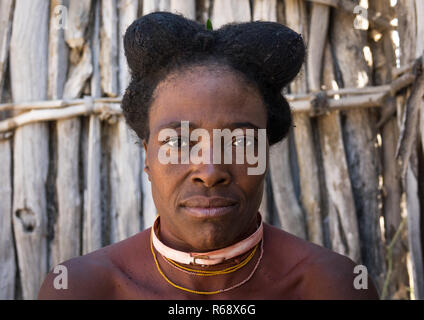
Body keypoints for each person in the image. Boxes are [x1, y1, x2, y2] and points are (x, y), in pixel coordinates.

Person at [38, 12, 379, 300]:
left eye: (240, 141)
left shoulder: (331, 286)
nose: (211, 170)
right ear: (147, 158)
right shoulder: (82, 288)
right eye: (181, 141)